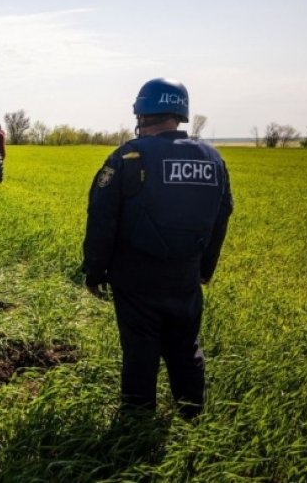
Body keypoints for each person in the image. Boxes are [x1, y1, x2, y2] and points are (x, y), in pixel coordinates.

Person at [82, 78, 233, 419]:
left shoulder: (128, 157)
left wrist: (94, 271)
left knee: (140, 350)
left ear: (142, 112)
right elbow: (221, 218)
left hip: (137, 279)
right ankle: (193, 416)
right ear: (180, 113)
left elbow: (101, 219)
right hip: (186, 278)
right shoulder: (213, 159)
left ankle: (136, 425)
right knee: (185, 346)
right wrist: (205, 269)